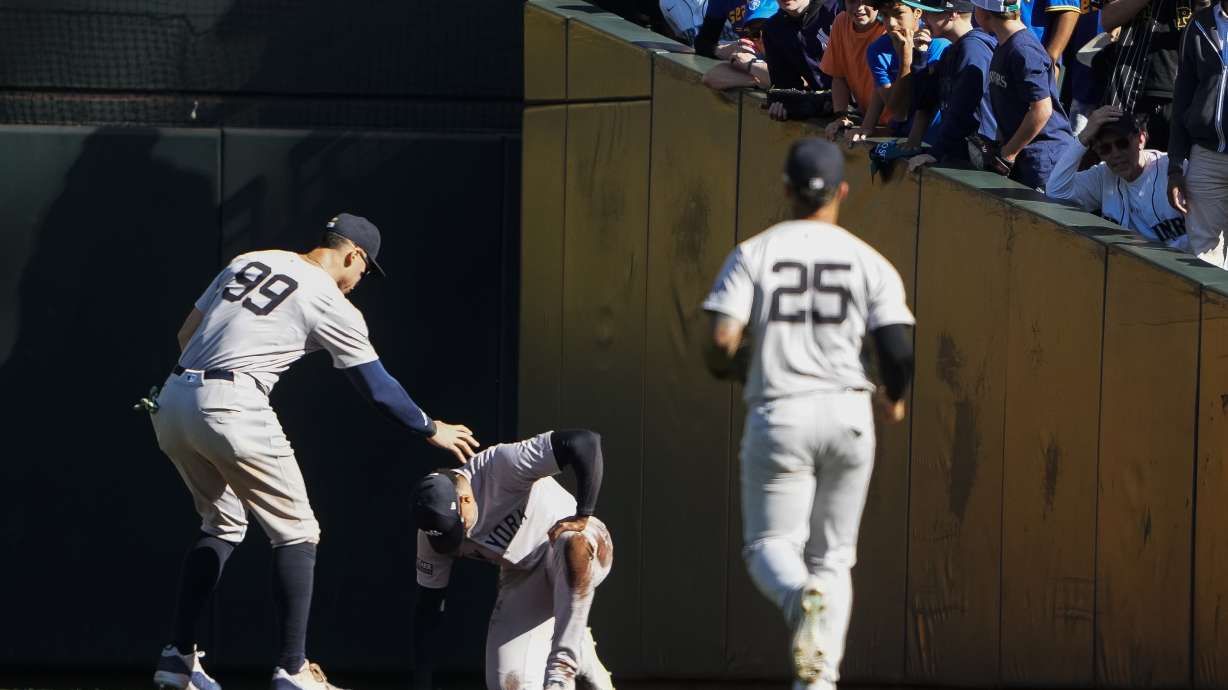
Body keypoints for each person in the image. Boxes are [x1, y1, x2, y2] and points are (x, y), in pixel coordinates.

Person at [147, 214, 479, 690]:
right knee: (298, 531)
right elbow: (378, 388)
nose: (358, 283)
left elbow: (186, 335)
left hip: (172, 398)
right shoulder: (329, 300)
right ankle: (293, 668)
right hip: (232, 401)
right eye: (363, 273)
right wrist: (432, 429)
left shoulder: (251, 258)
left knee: (221, 523)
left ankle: (177, 659)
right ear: (353, 255)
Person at [701, 138, 915, 690]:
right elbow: (896, 343)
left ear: (786, 189)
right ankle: (818, 682)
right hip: (849, 413)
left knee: (770, 547)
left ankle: (800, 598)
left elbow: (721, 340)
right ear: (842, 191)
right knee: (835, 559)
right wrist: (894, 395)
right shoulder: (869, 260)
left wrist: (733, 368)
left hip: (781, 410)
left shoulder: (756, 251)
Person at [411, 430, 615, 690]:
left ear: (465, 499)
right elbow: (427, 609)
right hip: (524, 574)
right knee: (507, 685)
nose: (455, 540)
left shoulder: (500, 464)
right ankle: (579, 645)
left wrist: (583, 513)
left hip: (575, 548)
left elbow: (585, 441)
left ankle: (563, 668)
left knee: (572, 543)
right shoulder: (431, 534)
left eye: (455, 530)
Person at [1047, 106, 1189, 249]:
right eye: (1105, 149)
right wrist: (1083, 137)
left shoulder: (1176, 171)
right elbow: (1055, 191)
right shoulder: (1102, 176)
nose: (1115, 154)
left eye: (1122, 144)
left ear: (1141, 139)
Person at [975, 0, 1077, 190]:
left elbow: (1042, 109)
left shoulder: (1023, 49)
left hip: (1044, 160)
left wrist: (1007, 154)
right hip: (1024, 154)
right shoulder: (1004, 44)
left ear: (982, 12)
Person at [1167, 0, 1228, 267]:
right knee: (1203, 257)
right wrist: (1175, 166)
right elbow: (1182, 96)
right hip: (1206, 155)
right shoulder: (1200, 22)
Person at [1092, 0, 1201, 151]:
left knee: (1183, 169)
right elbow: (1107, 19)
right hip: (1133, 91)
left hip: (1188, 94)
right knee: (1130, 166)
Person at [903, 0, 999, 170]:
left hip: (981, 158)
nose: (924, 19)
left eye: (930, 13)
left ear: (952, 14)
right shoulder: (951, 51)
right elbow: (923, 101)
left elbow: (964, 111)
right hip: (960, 154)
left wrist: (936, 152)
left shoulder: (973, 49)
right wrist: (920, 56)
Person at [860, 0, 952, 139]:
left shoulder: (938, 44)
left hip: (934, 139)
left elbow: (926, 105)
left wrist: (909, 56)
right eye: (885, 15)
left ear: (917, 13)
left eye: (899, 14)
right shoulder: (877, 50)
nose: (891, 23)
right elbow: (899, 112)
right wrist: (905, 58)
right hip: (902, 135)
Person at [820, 0, 890, 138]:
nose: (859, 8)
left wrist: (867, 127)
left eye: (867, 1)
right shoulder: (841, 21)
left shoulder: (889, 27)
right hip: (868, 122)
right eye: (852, 1)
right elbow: (839, 76)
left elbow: (883, 86)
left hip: (895, 124)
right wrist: (841, 116)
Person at [758, 0, 845, 110]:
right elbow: (786, 85)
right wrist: (783, 104)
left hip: (860, 100)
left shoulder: (837, 10)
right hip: (825, 103)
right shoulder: (773, 28)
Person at [696, 0, 782, 57]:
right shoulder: (721, 2)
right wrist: (722, 50)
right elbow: (703, 42)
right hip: (748, 57)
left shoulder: (787, 4)